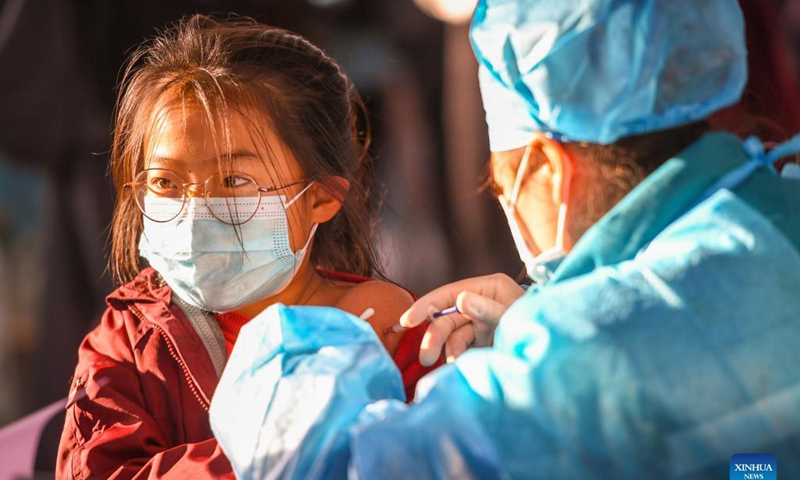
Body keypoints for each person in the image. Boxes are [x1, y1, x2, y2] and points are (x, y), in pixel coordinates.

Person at [208, 0, 800, 478]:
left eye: (498, 184)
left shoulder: (584, 362)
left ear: (546, 169)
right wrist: (538, 317)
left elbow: (331, 464)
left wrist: (296, 351)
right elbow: (756, 466)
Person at [56, 15, 440, 479]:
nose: (195, 210)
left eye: (234, 181)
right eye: (164, 182)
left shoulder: (396, 331)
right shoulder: (129, 343)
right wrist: (255, 458)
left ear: (321, 197)